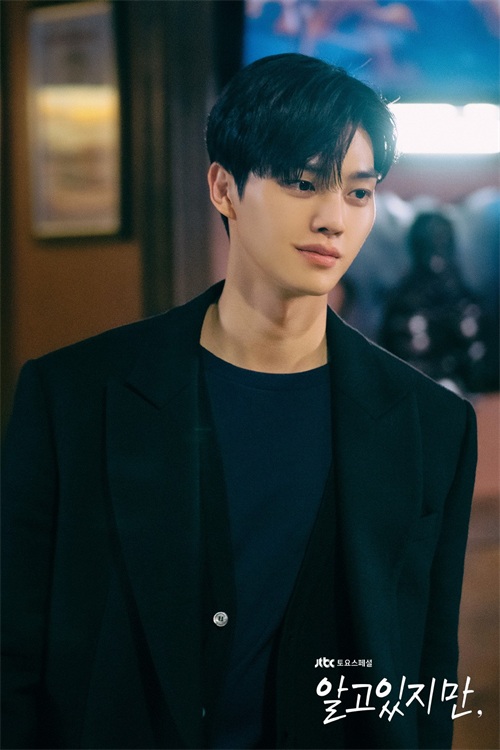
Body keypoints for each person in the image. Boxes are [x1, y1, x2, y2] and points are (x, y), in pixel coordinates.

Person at [2, 53, 477, 750]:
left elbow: (425, 676)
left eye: (358, 192)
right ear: (224, 187)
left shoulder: (431, 426)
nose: (332, 218)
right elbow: (13, 656)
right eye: (302, 183)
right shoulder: (74, 396)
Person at [379, 210, 488, 395]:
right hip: (418, 390)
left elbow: (481, 358)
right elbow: (394, 358)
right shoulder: (402, 300)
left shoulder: (465, 298)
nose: (436, 253)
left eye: (442, 241)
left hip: (466, 390)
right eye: (428, 243)